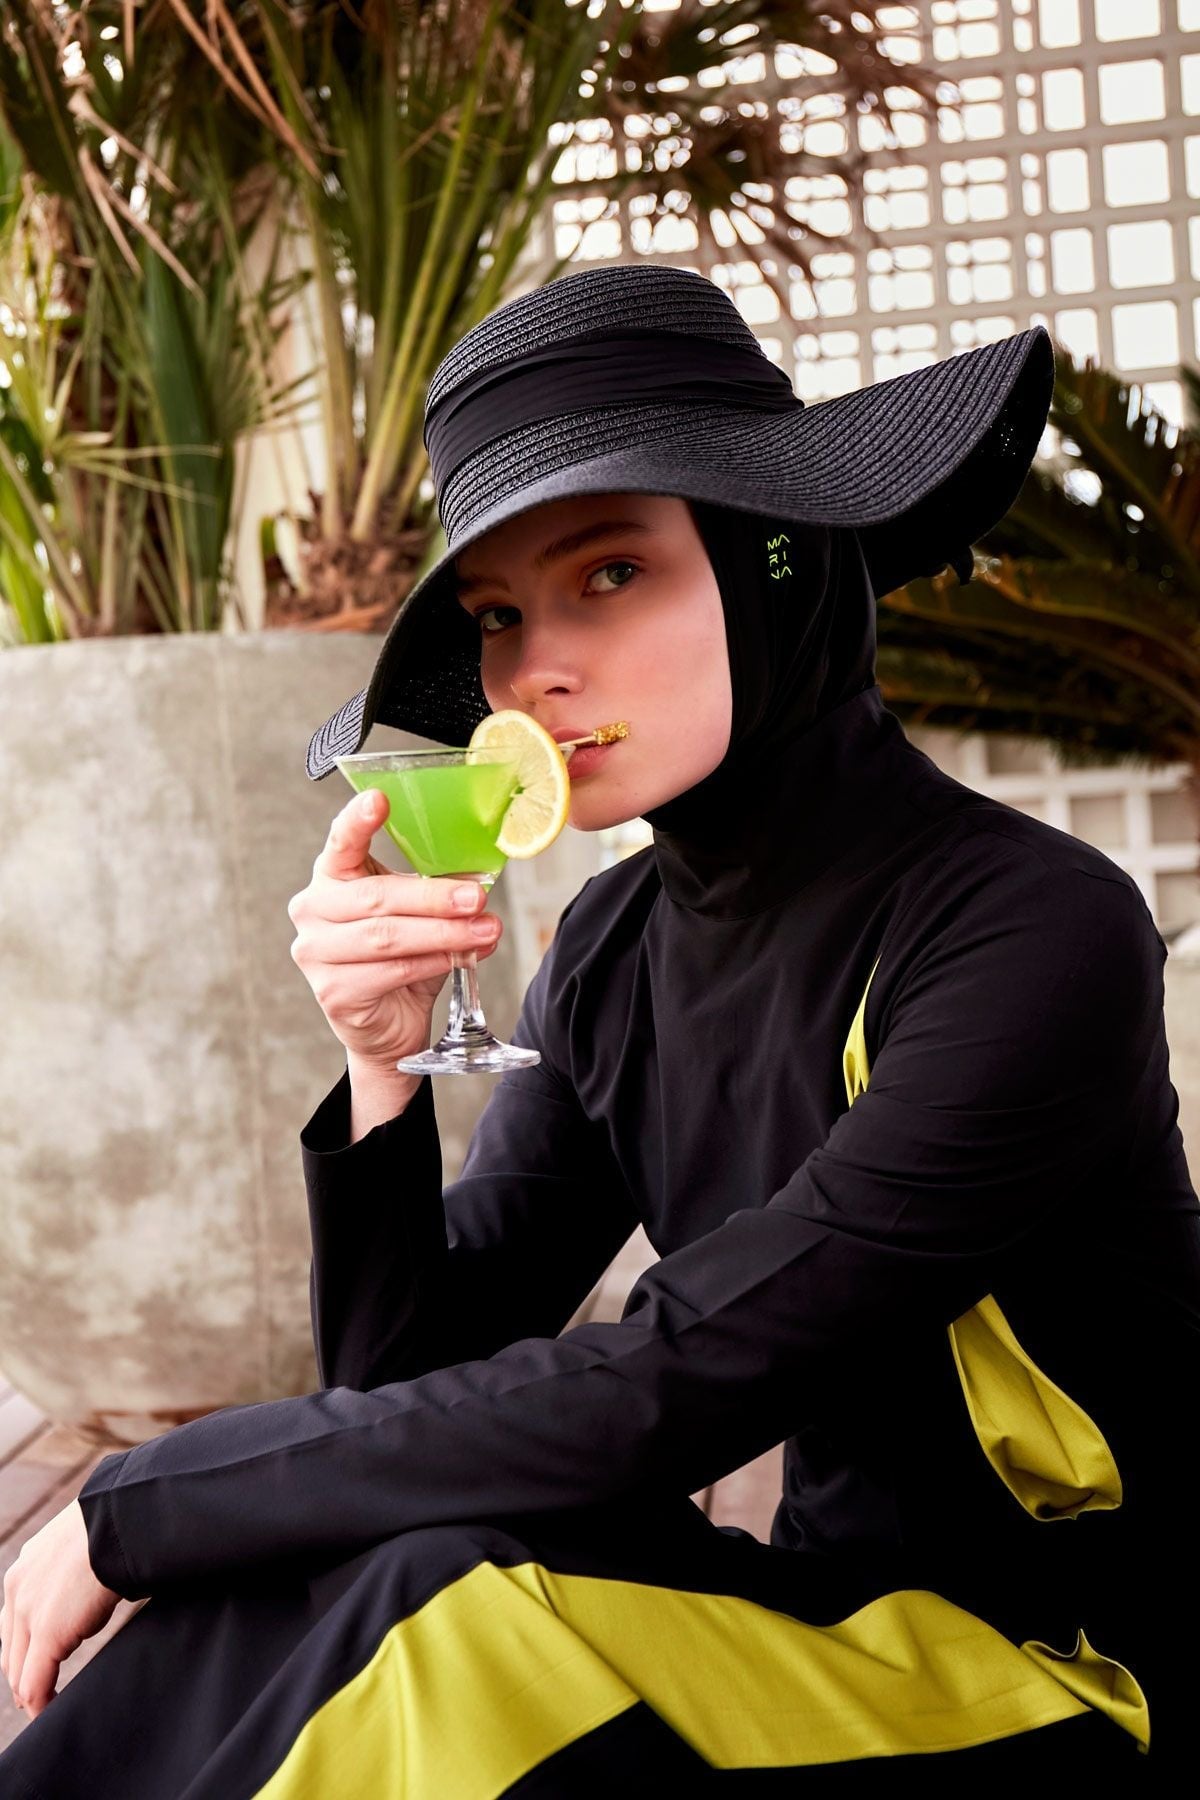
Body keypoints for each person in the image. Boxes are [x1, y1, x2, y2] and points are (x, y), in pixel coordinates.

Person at [1, 262, 1195, 1793]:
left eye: (611, 572)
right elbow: (413, 1372)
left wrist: (151, 1495)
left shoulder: (1028, 929)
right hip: (819, 1622)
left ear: (777, 561)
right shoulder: (612, 951)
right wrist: (380, 1064)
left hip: (1064, 1666)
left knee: (426, 1615)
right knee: (356, 1557)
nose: (534, 669)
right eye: (498, 615)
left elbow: (680, 1381)